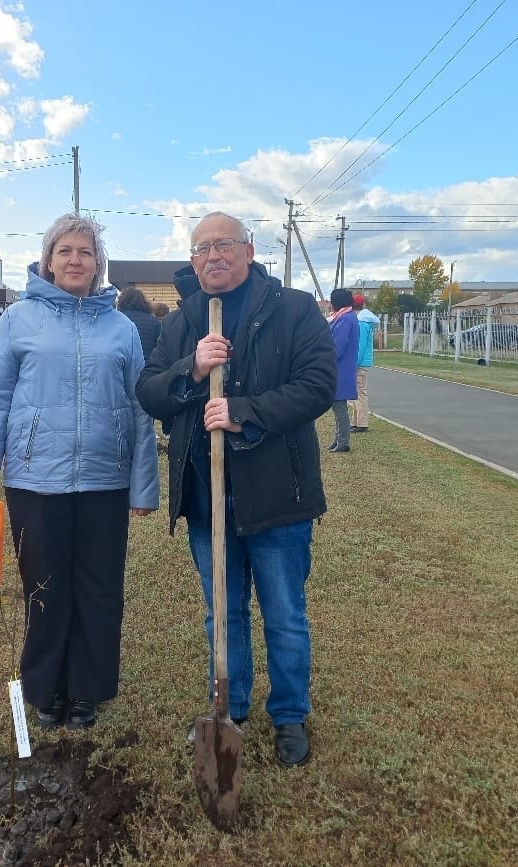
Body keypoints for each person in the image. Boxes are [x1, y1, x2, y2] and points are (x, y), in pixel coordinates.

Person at [136, 211, 336, 767]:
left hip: (278, 495)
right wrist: (192, 370)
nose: (213, 256)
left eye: (224, 244)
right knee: (222, 611)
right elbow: (149, 391)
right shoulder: (181, 323)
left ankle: (290, 715)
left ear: (248, 251)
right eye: (201, 249)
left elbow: (318, 386)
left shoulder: (293, 310)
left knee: (284, 612)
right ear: (193, 259)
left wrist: (243, 410)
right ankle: (232, 706)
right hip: (207, 496)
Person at [0, 213, 159, 732]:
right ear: (48, 260)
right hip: (34, 480)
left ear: (99, 265)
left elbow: (140, 410)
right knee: (44, 586)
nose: (76, 260)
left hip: (104, 481)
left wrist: (143, 484)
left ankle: (88, 691)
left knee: (98, 587)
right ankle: (48, 690)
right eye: (65, 250)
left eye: (86, 252)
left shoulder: (122, 328)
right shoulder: (18, 320)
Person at [327, 288, 360, 453]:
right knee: (337, 406)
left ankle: (343, 442)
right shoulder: (345, 316)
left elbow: (336, 347)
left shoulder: (345, 319)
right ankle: (338, 439)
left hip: (340, 369)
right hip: (341, 368)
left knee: (339, 406)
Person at [351, 294, 381, 432]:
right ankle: (356, 421)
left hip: (360, 362)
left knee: (360, 392)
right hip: (362, 361)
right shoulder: (364, 320)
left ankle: (362, 423)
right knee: (356, 392)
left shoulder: (362, 323)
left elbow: (360, 346)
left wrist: (354, 363)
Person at [117, 287, 162, 362]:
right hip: (147, 366)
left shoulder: (117, 319)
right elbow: (159, 348)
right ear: (143, 302)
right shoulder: (153, 321)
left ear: (122, 301)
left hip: (123, 365)